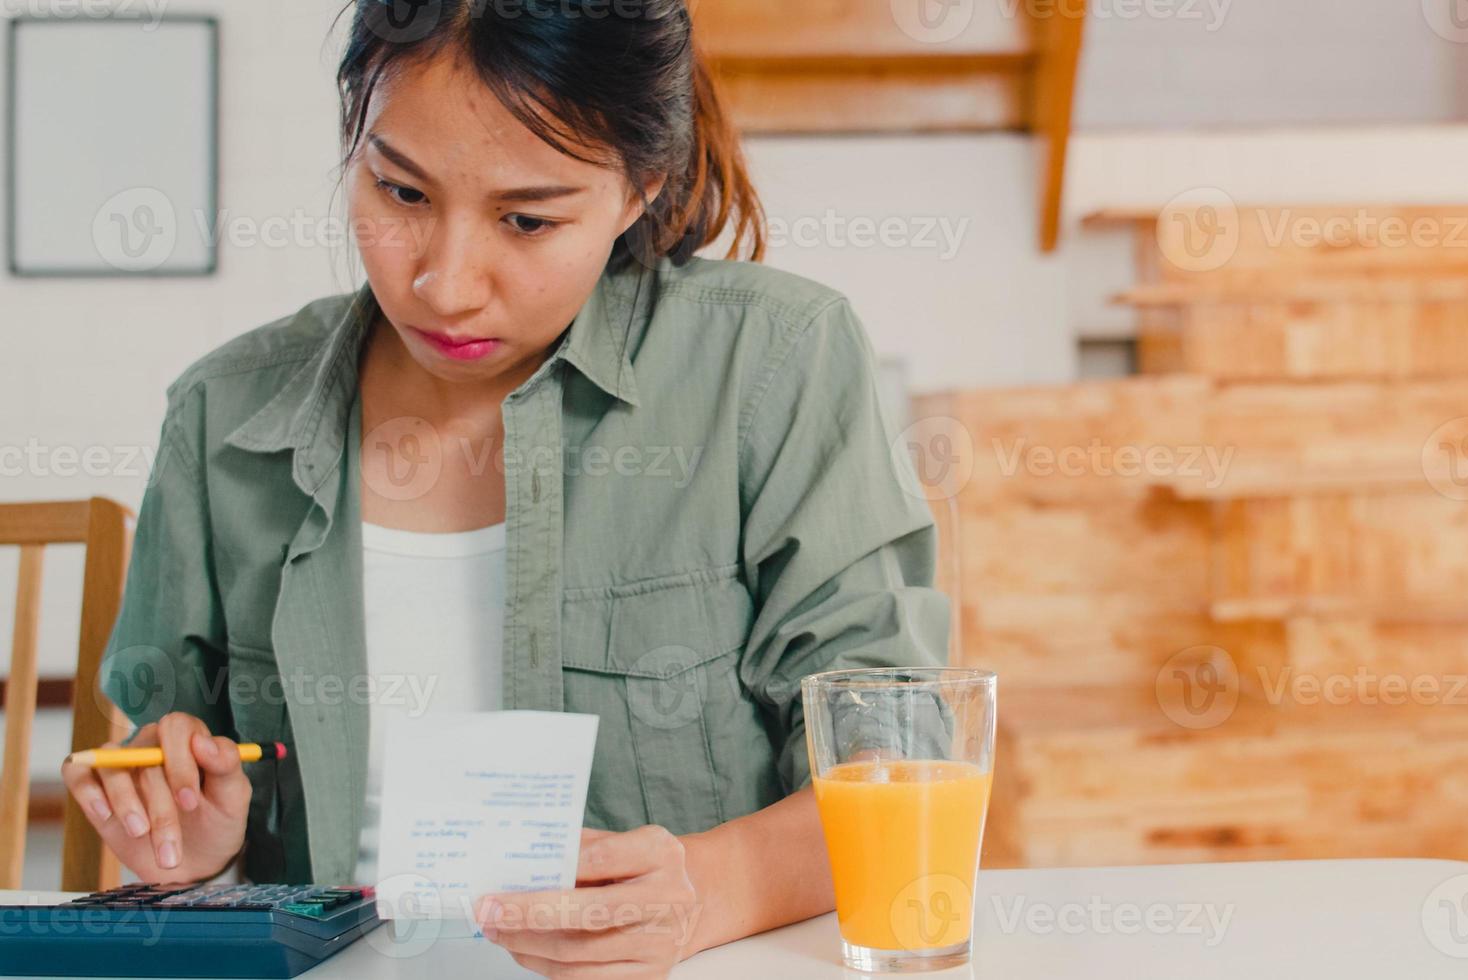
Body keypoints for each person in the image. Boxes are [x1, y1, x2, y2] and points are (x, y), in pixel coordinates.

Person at [59, 1, 949, 974]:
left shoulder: (773, 361)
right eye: (399, 192)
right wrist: (194, 851)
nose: (444, 283)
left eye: (526, 218)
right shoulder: (220, 414)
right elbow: (157, 770)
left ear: (641, 187)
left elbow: (899, 772)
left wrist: (705, 887)